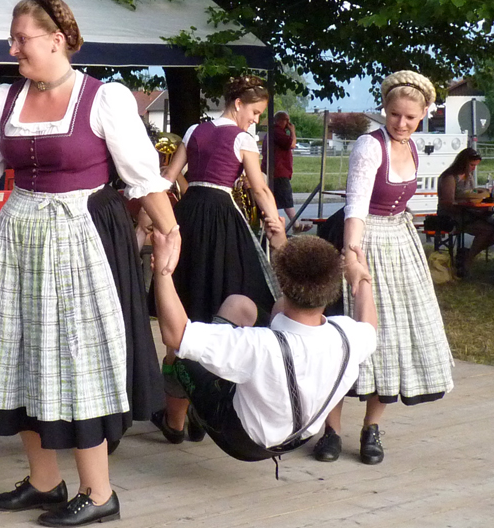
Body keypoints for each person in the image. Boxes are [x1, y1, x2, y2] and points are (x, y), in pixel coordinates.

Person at [0, 0, 177, 528]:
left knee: (77, 358)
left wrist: (170, 229)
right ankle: (44, 481)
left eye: (22, 39)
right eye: (11, 39)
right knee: (21, 353)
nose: (12, 49)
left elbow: (141, 176)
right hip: (19, 237)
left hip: (80, 238)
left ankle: (99, 491)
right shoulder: (5, 99)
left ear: (57, 40)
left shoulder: (104, 98)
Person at [312, 70, 455, 466]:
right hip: (362, 239)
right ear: (385, 110)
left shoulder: (413, 148)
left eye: (410, 117)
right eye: (395, 115)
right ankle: (331, 430)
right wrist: (352, 255)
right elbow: (356, 205)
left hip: (398, 242)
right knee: (344, 335)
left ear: (423, 114)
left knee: (393, 338)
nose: (401, 123)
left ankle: (371, 428)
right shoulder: (369, 146)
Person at [153, 229, 378, 462]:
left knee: (179, 352)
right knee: (239, 305)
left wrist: (162, 269)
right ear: (333, 290)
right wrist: (363, 279)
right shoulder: (347, 334)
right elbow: (370, 325)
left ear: (282, 283)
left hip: (241, 439)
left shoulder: (259, 346)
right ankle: (214, 380)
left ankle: (174, 424)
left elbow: (175, 334)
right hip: (298, 435)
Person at [155, 75, 287, 442]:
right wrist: (277, 227)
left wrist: (153, 219)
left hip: (188, 217)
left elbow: (168, 177)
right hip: (222, 221)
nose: (255, 120)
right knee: (221, 308)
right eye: (255, 112)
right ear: (239, 104)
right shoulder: (242, 139)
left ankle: (175, 420)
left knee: (184, 305)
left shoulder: (195, 130)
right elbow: (260, 189)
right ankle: (202, 411)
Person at [435, 147, 494, 272]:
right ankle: (468, 259)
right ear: (463, 162)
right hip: (451, 216)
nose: (473, 168)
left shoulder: (469, 177)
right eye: (472, 165)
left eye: (475, 165)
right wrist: (467, 205)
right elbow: (447, 203)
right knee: (487, 230)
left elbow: (472, 194)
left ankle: (468, 254)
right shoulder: (449, 177)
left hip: (468, 213)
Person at [266, 111, 309, 231]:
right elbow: (292, 144)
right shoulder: (277, 132)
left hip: (277, 171)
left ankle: (293, 224)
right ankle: (295, 225)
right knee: (286, 197)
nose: (288, 123)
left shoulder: (275, 132)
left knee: (276, 199)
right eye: (286, 120)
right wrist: (293, 132)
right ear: (279, 120)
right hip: (279, 171)